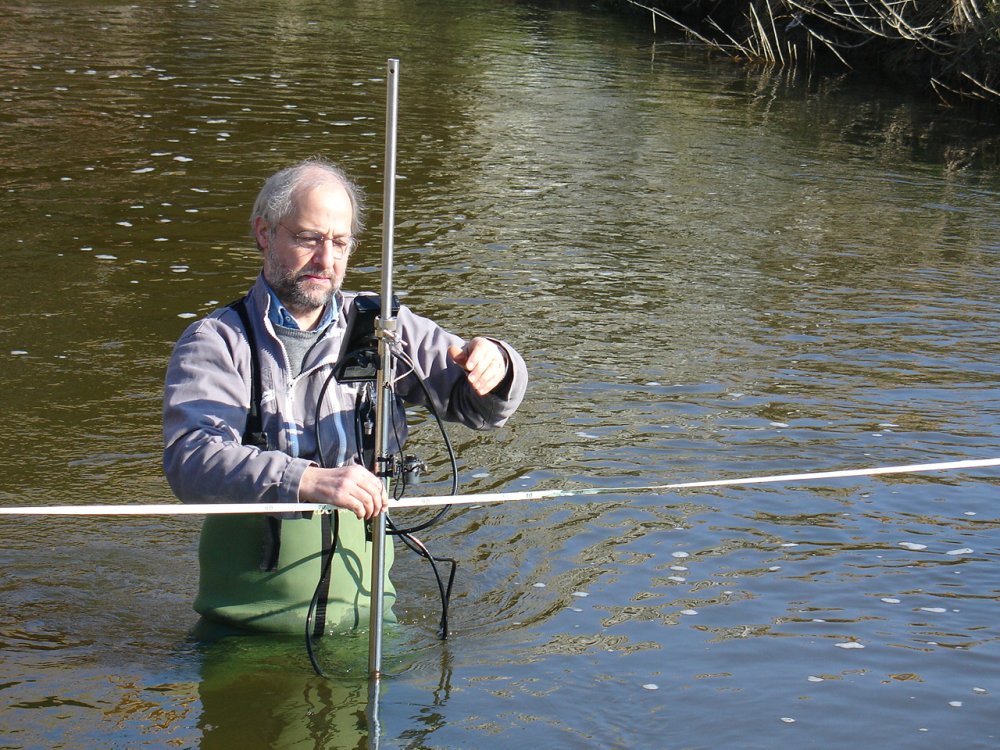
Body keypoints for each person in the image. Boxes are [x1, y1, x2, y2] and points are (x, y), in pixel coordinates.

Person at [163, 158, 527, 637]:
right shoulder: (216, 341)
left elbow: (474, 405)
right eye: (309, 238)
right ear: (264, 234)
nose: (325, 260)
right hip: (243, 629)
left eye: (339, 243)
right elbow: (192, 460)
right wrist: (307, 480)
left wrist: (499, 365)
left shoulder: (386, 328)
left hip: (371, 628)